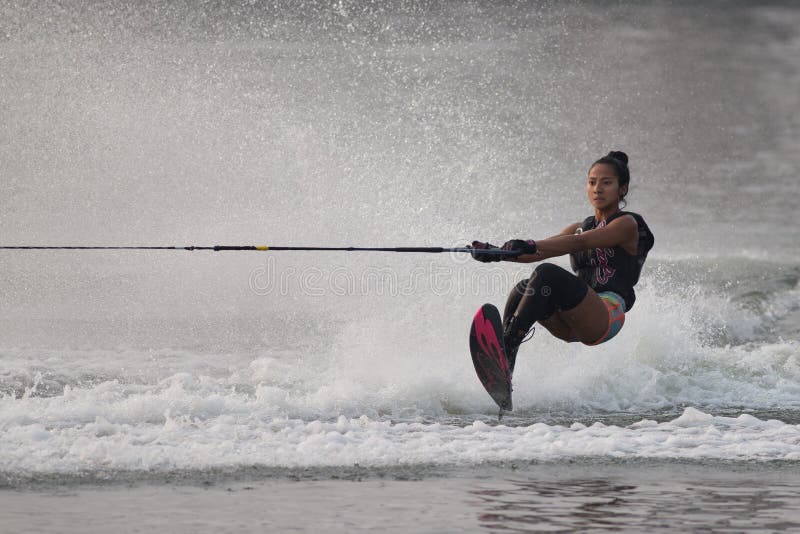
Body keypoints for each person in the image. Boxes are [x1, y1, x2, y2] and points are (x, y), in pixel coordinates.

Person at [470, 151, 654, 374]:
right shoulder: (578, 227)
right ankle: (506, 364)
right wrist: (496, 252)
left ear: (622, 189)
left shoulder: (627, 224)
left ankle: (507, 344)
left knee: (547, 273)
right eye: (592, 182)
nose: (598, 189)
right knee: (523, 288)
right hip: (572, 322)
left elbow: (579, 243)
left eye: (607, 183)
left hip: (605, 316)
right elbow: (537, 252)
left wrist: (528, 244)